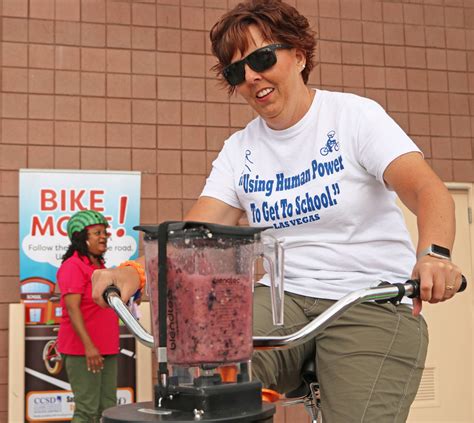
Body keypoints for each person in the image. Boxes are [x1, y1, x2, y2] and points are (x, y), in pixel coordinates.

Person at [92, 1, 463, 421]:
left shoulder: (354, 117)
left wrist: (435, 255)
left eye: (262, 58)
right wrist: (135, 273)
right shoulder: (240, 149)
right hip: (283, 301)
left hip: (368, 298)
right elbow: (194, 234)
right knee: (203, 375)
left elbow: (426, 188)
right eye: (237, 71)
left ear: (300, 55)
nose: (251, 77)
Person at [57, 210, 119, 423]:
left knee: (109, 409)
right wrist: (89, 346)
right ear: (82, 238)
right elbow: (72, 309)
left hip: (107, 348)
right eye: (97, 233)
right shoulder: (72, 266)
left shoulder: (99, 267)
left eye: (105, 233)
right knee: (87, 411)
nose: (104, 237)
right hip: (83, 350)